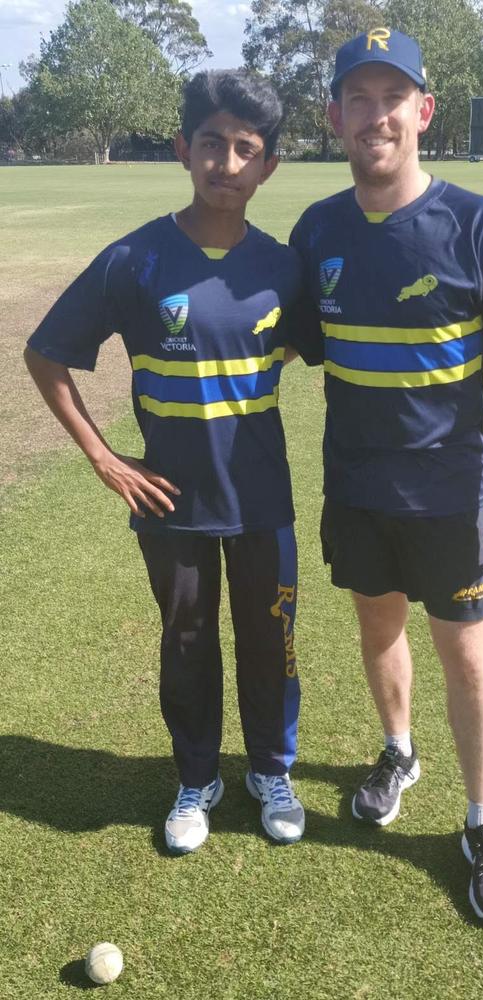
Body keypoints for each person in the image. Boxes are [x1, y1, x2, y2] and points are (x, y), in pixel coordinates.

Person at [290, 29, 483, 923]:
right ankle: (398, 751)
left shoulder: (480, 223)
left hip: (449, 498)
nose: (376, 116)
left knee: (467, 657)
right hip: (355, 491)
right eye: (357, 100)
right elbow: (297, 341)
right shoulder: (317, 228)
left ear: (423, 112)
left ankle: (482, 824)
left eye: (392, 98)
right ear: (335, 118)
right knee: (377, 632)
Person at [24, 70, 320, 855]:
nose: (228, 162)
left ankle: (270, 770)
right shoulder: (135, 260)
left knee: (271, 635)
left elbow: (314, 345)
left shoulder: (284, 267)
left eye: (246, 149)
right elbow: (47, 353)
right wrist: (103, 457)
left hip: (263, 497)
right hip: (170, 500)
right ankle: (196, 777)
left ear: (268, 167)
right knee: (187, 636)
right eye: (213, 144)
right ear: (184, 150)